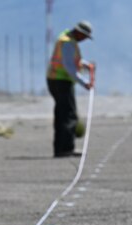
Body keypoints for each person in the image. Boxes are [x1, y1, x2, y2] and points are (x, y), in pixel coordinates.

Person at [46, 20, 95, 158]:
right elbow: (69, 67)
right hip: (61, 81)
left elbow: (70, 61)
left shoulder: (66, 38)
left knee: (62, 114)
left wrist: (85, 65)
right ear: (79, 33)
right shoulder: (67, 42)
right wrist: (85, 83)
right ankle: (65, 148)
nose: (84, 40)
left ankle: (60, 148)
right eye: (84, 36)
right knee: (68, 115)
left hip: (56, 79)